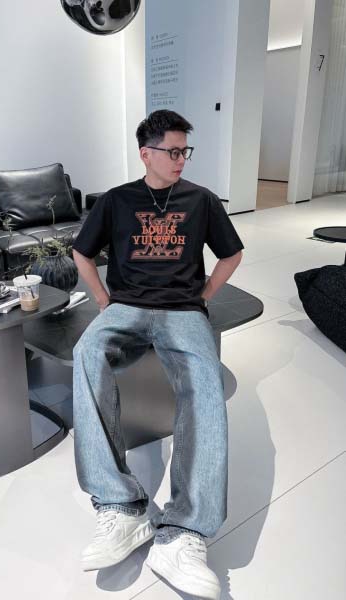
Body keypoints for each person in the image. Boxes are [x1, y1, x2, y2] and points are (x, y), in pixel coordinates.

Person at [71, 109, 243, 599]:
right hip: (125, 307)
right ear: (145, 153)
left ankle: (183, 533)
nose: (181, 159)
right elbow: (82, 251)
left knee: (205, 380)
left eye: (185, 150)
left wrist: (203, 298)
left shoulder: (201, 200)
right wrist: (103, 302)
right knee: (87, 351)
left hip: (183, 310)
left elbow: (231, 253)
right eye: (173, 151)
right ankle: (121, 507)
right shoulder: (117, 200)